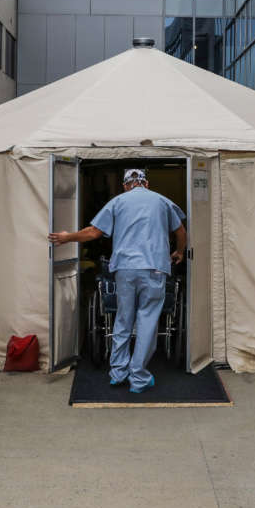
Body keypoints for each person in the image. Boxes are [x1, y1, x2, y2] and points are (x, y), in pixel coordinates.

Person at [48, 168, 186, 393]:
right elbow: (180, 231)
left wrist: (67, 237)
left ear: (124, 185)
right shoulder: (162, 202)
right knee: (147, 321)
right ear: (146, 183)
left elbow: (93, 233)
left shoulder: (117, 202)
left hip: (125, 269)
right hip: (154, 269)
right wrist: (179, 252)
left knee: (123, 319)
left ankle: (118, 372)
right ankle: (138, 378)